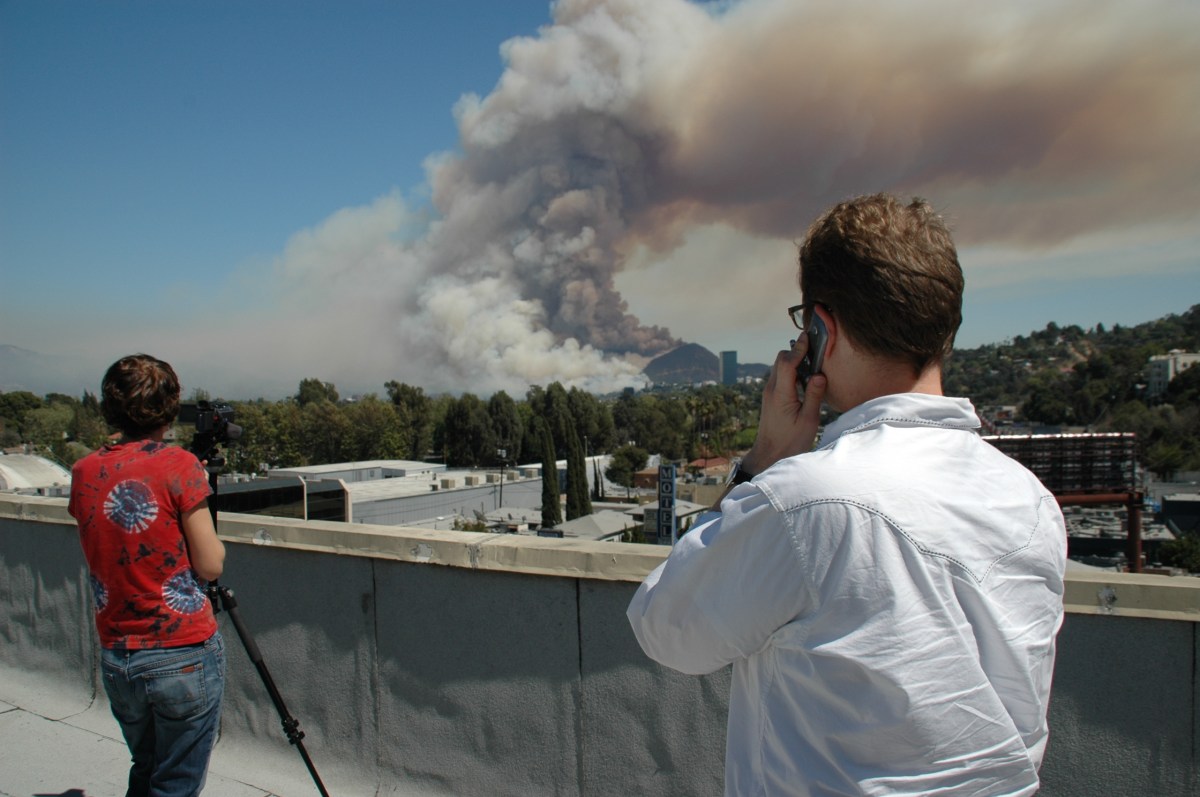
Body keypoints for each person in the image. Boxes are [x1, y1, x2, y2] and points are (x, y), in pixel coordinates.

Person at [627, 194, 1066, 796]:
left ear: (819, 329)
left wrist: (764, 462)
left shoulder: (804, 501)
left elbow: (666, 628)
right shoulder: (1032, 501)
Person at [68, 354, 226, 797]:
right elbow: (210, 564)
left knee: (147, 767)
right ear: (169, 406)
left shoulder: (82, 471)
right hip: (181, 652)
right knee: (175, 783)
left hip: (118, 656)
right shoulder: (178, 466)